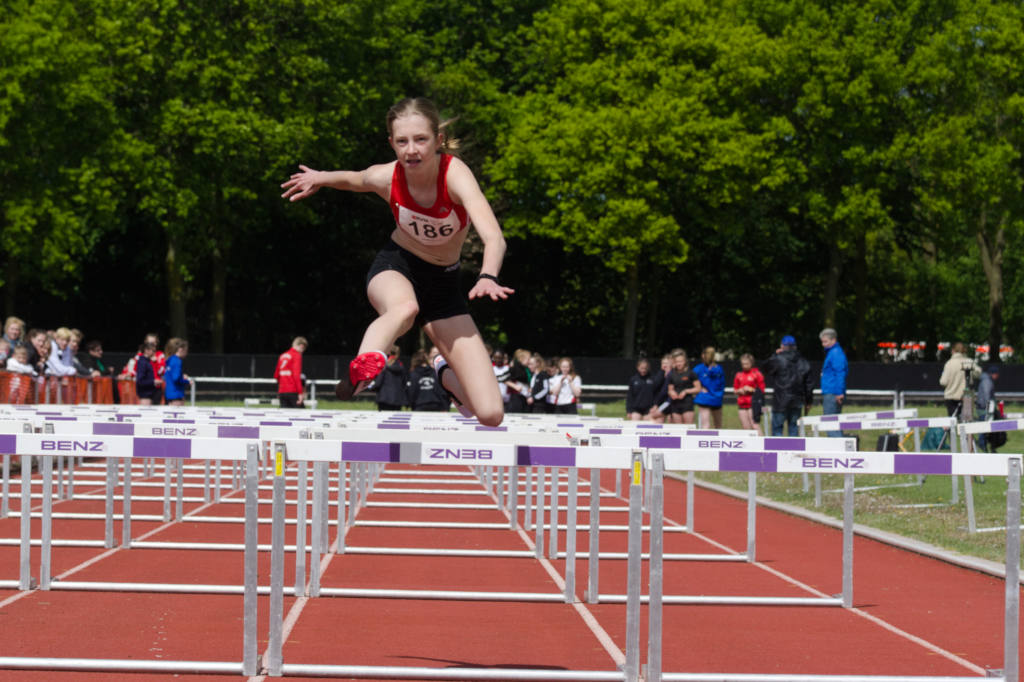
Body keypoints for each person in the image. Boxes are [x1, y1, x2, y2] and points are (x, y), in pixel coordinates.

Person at [281, 97, 513, 426]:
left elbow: (494, 237)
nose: (411, 150)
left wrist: (488, 275)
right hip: (397, 266)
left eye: (420, 140)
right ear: (392, 144)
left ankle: (445, 375)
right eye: (402, 142)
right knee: (404, 309)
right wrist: (319, 177)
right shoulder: (387, 176)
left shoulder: (455, 175)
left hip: (444, 287)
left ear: (438, 140)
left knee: (491, 414)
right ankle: (365, 366)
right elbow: (355, 179)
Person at [762, 335, 814, 437]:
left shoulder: (777, 359)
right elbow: (809, 385)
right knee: (794, 429)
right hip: (797, 401)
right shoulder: (803, 362)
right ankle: (793, 452)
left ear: (782, 346)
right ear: (795, 347)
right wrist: (808, 401)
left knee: (777, 430)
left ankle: (778, 451)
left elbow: (765, 368)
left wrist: (774, 354)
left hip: (780, 401)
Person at [819, 328, 849, 436]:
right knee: (834, 424)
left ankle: (837, 451)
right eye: (822, 342)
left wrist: (839, 392)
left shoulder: (835, 353)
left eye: (825, 341)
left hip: (833, 392)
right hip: (832, 391)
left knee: (830, 425)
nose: (823, 344)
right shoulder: (833, 352)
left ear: (833, 340)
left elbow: (840, 373)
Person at [939, 342, 981, 417]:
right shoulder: (968, 361)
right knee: (967, 421)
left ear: (953, 351)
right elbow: (978, 373)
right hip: (967, 395)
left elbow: (943, 382)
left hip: (951, 396)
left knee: (953, 422)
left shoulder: (949, 363)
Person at [733, 353, 766, 435]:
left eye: (747, 364)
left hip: (753, 404)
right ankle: (749, 446)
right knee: (745, 427)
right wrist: (739, 390)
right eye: (743, 364)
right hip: (742, 404)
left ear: (751, 363)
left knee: (755, 425)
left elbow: (761, 390)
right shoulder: (738, 375)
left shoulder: (756, 374)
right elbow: (735, 390)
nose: (744, 366)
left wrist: (751, 389)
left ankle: (761, 444)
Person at [666, 350, 701, 425]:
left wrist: (686, 391)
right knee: (678, 429)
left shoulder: (691, 373)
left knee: (688, 428)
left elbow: (698, 388)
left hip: (687, 404)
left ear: (685, 361)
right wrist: (672, 393)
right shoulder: (672, 374)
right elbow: (670, 390)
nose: (679, 364)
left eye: (680, 361)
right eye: (677, 362)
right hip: (675, 404)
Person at [693, 346, 725, 428]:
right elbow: (722, 384)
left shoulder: (699, 369)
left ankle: (705, 440)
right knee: (718, 425)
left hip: (705, 398)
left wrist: (699, 388)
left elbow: (690, 380)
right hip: (716, 397)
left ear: (703, 355)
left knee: (705, 425)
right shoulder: (719, 368)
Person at [274, 336, 308, 408]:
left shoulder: (282, 355)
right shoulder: (296, 355)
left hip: (282, 391)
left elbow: (276, 375)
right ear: (301, 346)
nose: (303, 351)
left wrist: (280, 390)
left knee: (284, 417)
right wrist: (300, 393)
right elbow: (296, 376)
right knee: (302, 416)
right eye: (303, 349)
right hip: (293, 391)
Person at [975, 365, 1001, 452]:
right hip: (984, 407)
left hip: (983, 406)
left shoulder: (986, 380)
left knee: (985, 426)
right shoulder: (987, 381)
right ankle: (982, 444)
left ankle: (985, 445)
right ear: (993, 374)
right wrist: (990, 408)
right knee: (984, 426)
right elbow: (987, 396)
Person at [163, 338, 190, 406]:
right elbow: (176, 378)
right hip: (176, 395)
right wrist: (187, 381)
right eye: (186, 351)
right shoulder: (177, 361)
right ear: (180, 349)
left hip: (169, 394)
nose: (187, 353)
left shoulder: (170, 360)